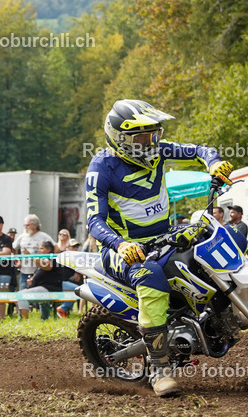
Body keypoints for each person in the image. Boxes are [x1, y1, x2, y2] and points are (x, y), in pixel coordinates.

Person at [86, 99, 232, 397]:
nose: (151, 142)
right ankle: (159, 369)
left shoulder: (159, 150)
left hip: (164, 234)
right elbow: (93, 221)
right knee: (151, 276)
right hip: (121, 248)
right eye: (142, 137)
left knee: (211, 237)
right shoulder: (101, 168)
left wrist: (214, 162)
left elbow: (198, 151)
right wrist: (120, 243)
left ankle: (214, 315)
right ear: (120, 138)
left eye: (154, 134)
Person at [16, 243, 68, 320]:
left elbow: (46, 266)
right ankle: (45, 319)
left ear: (48, 250)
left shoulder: (52, 259)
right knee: (20, 295)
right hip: (44, 288)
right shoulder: (43, 258)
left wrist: (30, 256)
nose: (39, 250)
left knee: (21, 295)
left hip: (51, 289)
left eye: (41, 248)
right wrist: (33, 280)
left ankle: (23, 321)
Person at [13, 214, 52, 291]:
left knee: (37, 297)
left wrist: (46, 260)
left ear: (35, 225)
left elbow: (55, 248)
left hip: (39, 273)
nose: (25, 227)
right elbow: (13, 248)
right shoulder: (22, 236)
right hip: (24, 272)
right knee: (22, 296)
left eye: (27, 225)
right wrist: (17, 260)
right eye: (24, 225)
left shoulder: (43, 236)